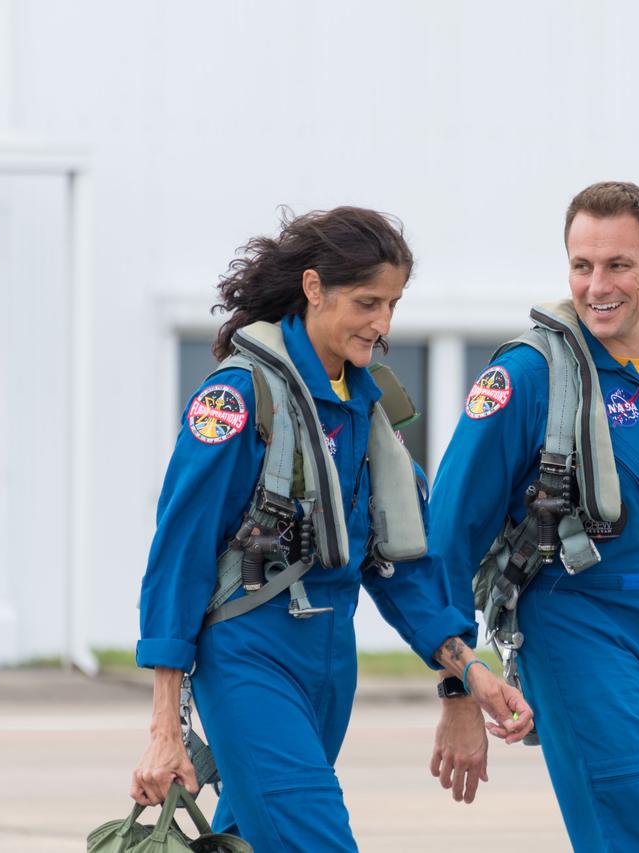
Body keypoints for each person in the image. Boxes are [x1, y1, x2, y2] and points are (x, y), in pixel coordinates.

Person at [131, 206, 532, 853]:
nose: (383, 324)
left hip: (327, 662)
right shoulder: (238, 398)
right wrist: (164, 723)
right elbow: (178, 555)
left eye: (393, 304)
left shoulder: (365, 408)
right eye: (367, 302)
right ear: (314, 288)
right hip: (249, 658)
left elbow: (396, 563)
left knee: (252, 839)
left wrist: (467, 669)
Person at [428, 182, 639, 851]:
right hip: (578, 628)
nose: (596, 285)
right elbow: (446, 538)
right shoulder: (530, 376)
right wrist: (457, 686)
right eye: (581, 265)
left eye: (617, 264)